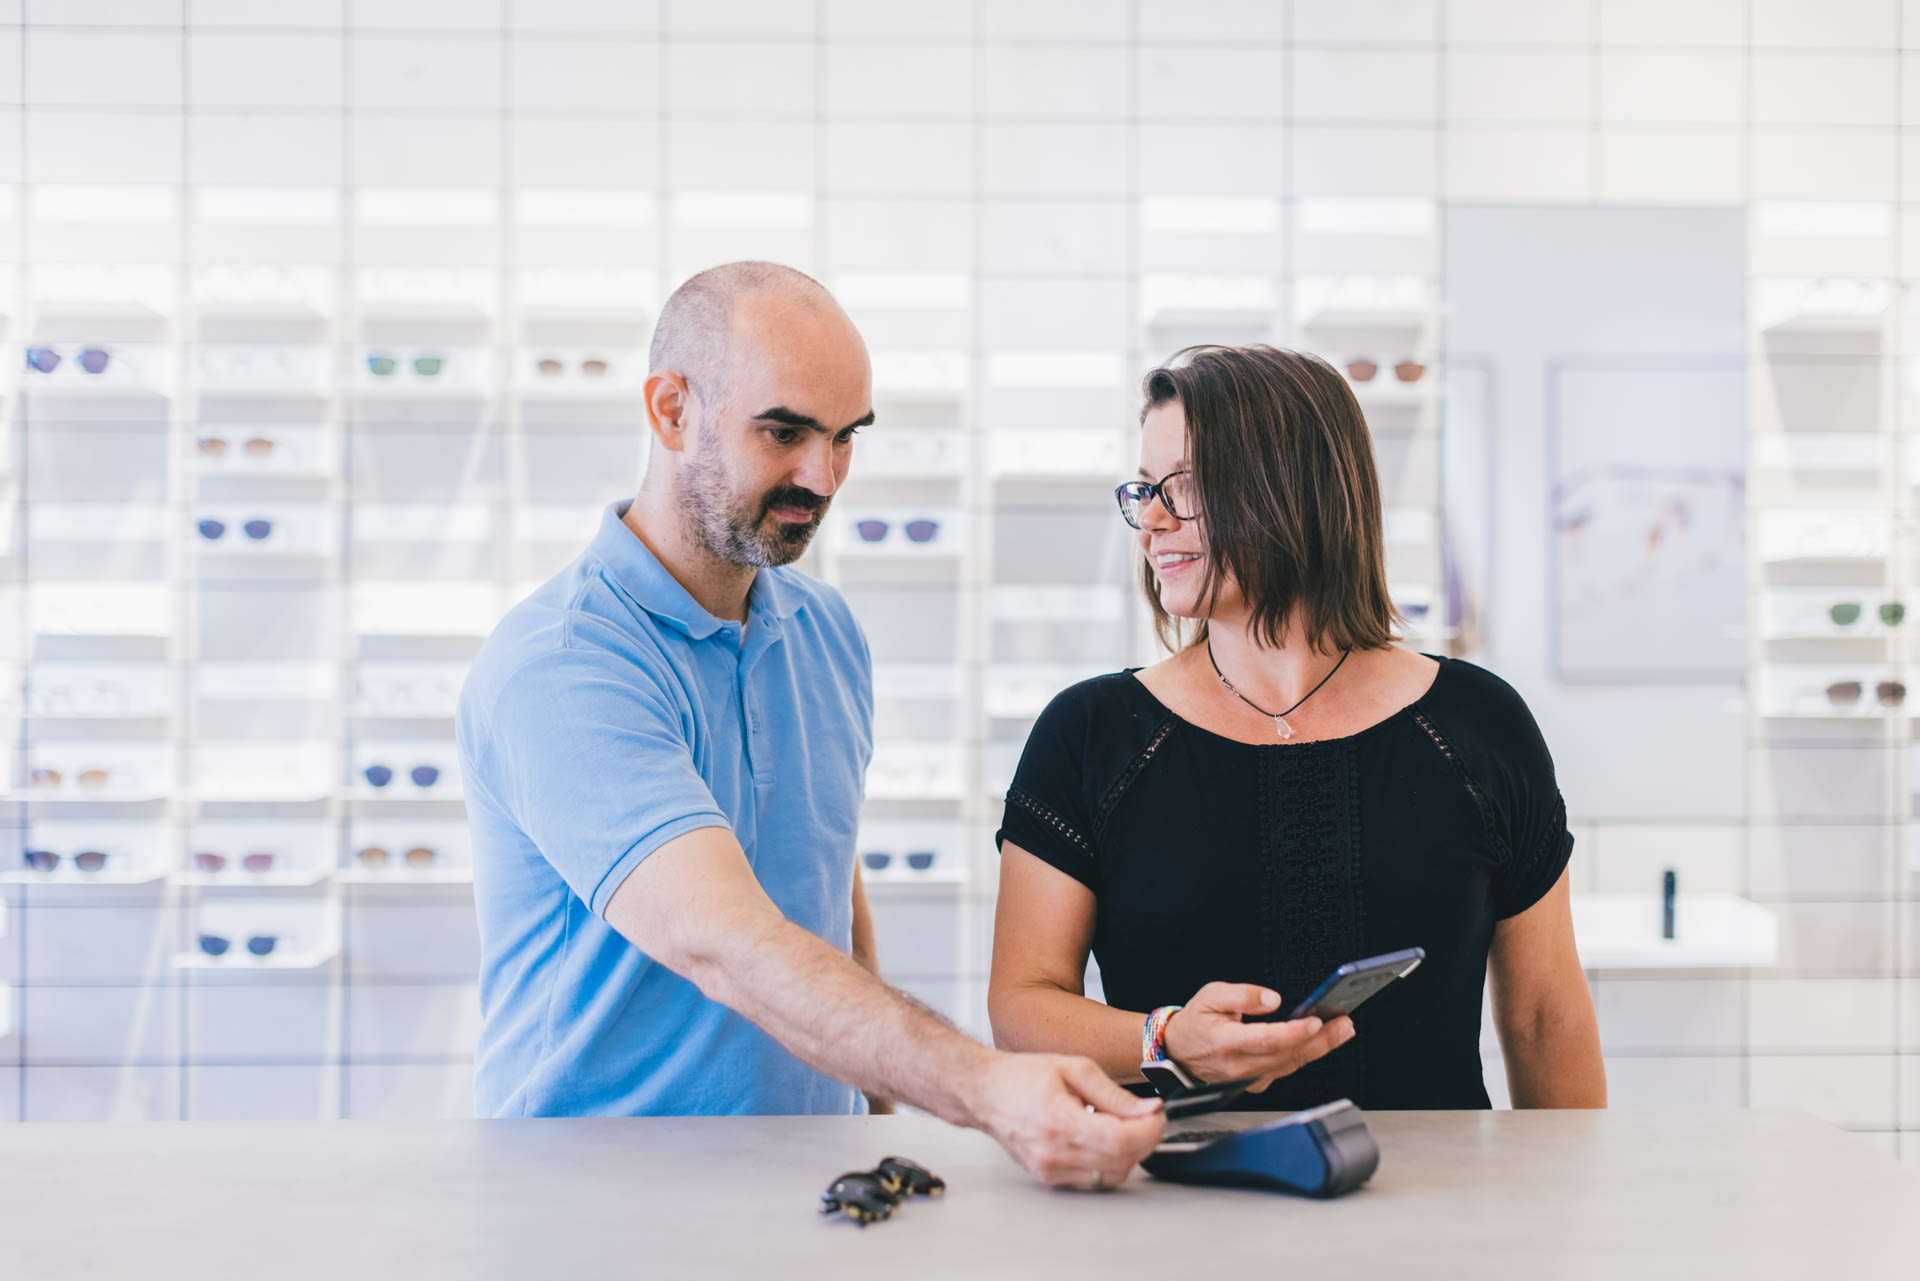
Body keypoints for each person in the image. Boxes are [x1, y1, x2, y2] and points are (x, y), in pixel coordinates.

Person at [456, 261, 1163, 1190]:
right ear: (671, 410)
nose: (821, 477)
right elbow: (727, 940)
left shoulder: (822, 631)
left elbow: (826, 878)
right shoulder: (563, 665)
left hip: (802, 1184)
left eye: (845, 438)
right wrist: (986, 1089)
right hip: (596, 1198)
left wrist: (872, 1122)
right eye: (784, 431)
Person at [989, 344, 1607, 1112]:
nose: (1150, 521)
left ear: (1292, 490)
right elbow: (1021, 1008)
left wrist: (1577, 1211)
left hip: (1444, 1212)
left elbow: (1546, 1016)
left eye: (1179, 486)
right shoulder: (1089, 735)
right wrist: (1167, 1036)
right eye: (1144, 489)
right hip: (1173, 1208)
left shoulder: (1479, 724)